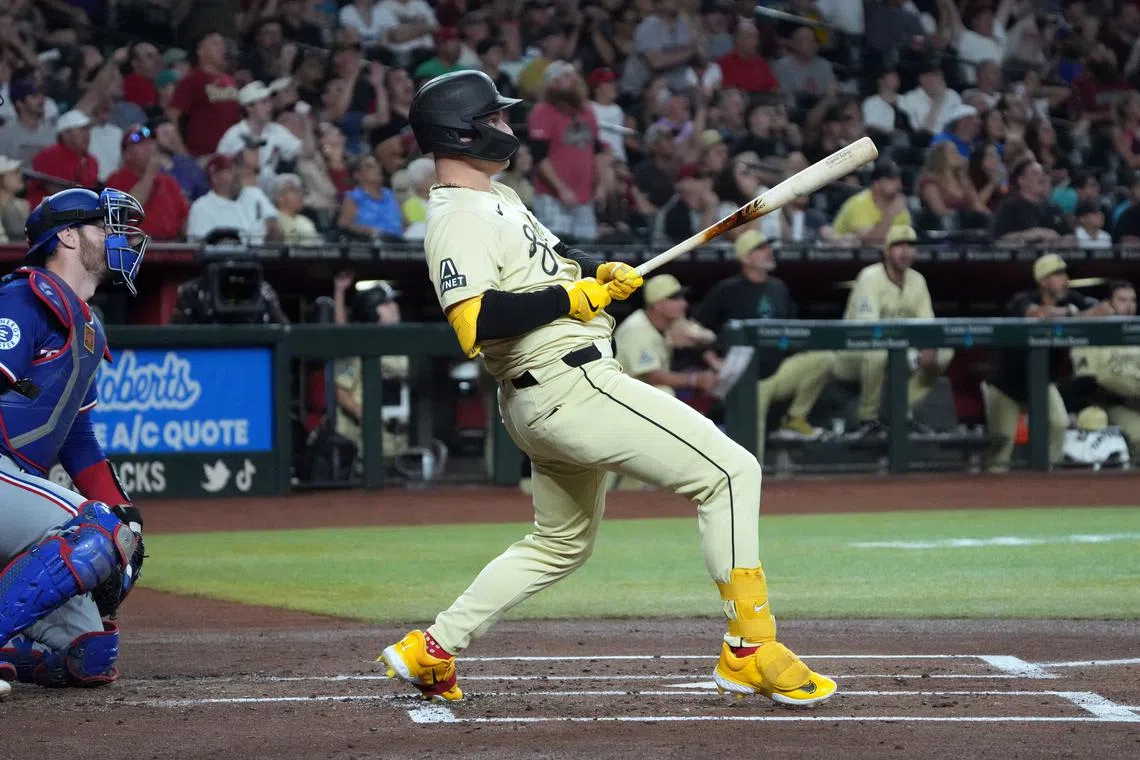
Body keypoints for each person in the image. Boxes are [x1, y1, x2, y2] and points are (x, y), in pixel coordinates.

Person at [379, 69, 836, 707]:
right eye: (497, 120)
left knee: (559, 543)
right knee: (731, 472)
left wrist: (597, 272)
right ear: (464, 132)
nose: (509, 128)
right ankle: (750, 647)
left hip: (551, 392)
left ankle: (432, 649)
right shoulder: (456, 216)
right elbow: (474, 323)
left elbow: (554, 258)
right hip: (572, 384)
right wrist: (571, 296)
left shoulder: (499, 197)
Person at [0, 188, 148, 696]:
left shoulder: (87, 325)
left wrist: (125, 515)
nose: (119, 239)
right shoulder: (23, 296)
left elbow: (79, 442)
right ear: (66, 236)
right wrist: (108, 525)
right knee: (95, 533)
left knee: (90, 654)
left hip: (13, 491)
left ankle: (10, 650)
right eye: (106, 228)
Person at [694, 231, 834, 457]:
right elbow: (698, 330)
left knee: (824, 359)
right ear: (745, 258)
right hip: (746, 379)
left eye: (768, 246)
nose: (769, 251)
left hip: (779, 372)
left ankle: (794, 419)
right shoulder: (727, 290)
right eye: (760, 248)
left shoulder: (778, 287)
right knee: (750, 453)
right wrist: (715, 362)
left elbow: (793, 328)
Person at [982, 254, 1115, 473]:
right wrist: (1073, 314)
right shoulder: (1023, 298)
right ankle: (994, 494)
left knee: (1059, 424)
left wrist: (1081, 313)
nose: (1065, 280)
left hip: (1042, 381)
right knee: (1003, 441)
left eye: (1065, 274)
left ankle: (1048, 480)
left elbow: (1104, 311)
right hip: (1006, 384)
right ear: (1044, 281)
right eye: (1059, 274)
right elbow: (1035, 314)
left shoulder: (1072, 298)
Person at [832, 226, 955, 438]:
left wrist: (928, 348)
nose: (905, 251)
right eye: (898, 245)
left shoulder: (917, 280)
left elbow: (927, 325)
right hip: (853, 353)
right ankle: (867, 419)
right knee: (877, 353)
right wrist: (911, 353)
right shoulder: (870, 277)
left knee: (944, 353)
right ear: (886, 251)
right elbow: (868, 331)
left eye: (910, 246)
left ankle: (900, 411)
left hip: (898, 350)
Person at [331, 272, 410, 466]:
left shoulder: (401, 345)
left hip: (397, 441)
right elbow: (340, 391)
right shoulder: (357, 347)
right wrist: (367, 416)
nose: (394, 307)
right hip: (363, 445)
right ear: (371, 311)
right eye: (386, 304)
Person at [1070, 281, 1140, 459]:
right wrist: (1126, 401)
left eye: (1133, 300)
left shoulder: (1136, 333)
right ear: (1108, 304)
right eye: (1122, 300)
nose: (1129, 306)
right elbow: (1085, 386)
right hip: (1116, 405)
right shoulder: (1094, 334)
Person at [831, 159, 911, 244]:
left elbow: (903, 240)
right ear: (876, 183)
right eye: (891, 179)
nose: (897, 184)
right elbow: (870, 242)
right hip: (840, 254)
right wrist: (890, 214)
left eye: (898, 179)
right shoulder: (859, 204)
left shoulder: (899, 205)